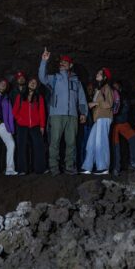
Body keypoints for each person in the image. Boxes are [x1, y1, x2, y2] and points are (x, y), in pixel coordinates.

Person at [38, 47, 88, 176]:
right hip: (56, 115)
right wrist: (44, 61)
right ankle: (54, 167)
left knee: (71, 143)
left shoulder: (76, 81)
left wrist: (83, 113)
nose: (62, 63)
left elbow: (81, 98)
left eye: (65, 62)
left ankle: (69, 167)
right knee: (54, 142)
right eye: (61, 62)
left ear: (70, 65)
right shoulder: (54, 78)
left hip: (72, 115)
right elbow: (42, 78)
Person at [80, 68, 114, 175]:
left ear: (105, 77)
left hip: (104, 117)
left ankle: (103, 167)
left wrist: (95, 103)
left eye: (100, 73)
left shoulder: (106, 88)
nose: (97, 74)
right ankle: (87, 167)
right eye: (97, 72)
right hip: (97, 119)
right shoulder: (98, 89)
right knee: (91, 142)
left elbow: (109, 104)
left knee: (101, 142)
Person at [12, 77, 47, 174]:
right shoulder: (20, 96)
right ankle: (22, 169)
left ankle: (40, 169)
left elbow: (42, 113)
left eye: (35, 82)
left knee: (39, 146)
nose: (33, 83)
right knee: (22, 146)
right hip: (22, 125)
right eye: (31, 81)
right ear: (28, 84)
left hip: (35, 125)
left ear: (36, 86)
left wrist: (42, 126)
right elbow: (14, 111)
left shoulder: (39, 98)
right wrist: (19, 119)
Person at [111, 81, 135, 176]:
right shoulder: (111, 96)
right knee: (116, 145)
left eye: (117, 87)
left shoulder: (124, 97)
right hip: (115, 124)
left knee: (133, 138)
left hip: (123, 123)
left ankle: (133, 163)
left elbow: (126, 110)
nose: (115, 89)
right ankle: (116, 167)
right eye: (114, 87)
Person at [78, 82, 95, 167]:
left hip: (91, 125)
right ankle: (82, 164)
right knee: (83, 145)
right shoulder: (83, 99)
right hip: (84, 125)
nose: (90, 90)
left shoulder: (94, 98)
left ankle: (89, 164)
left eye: (91, 89)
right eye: (89, 88)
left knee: (90, 146)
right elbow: (82, 109)